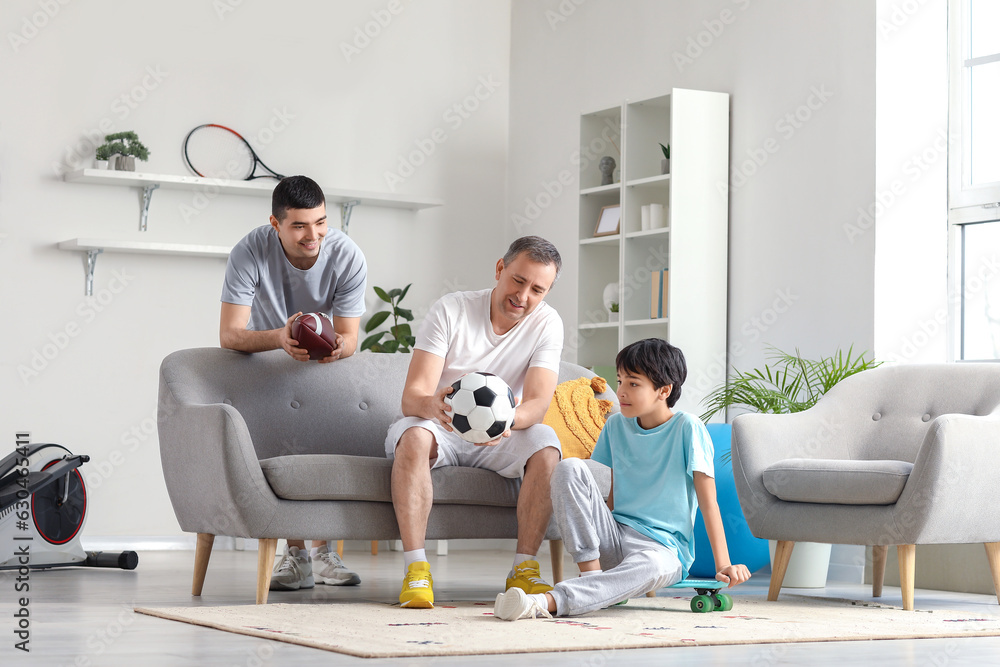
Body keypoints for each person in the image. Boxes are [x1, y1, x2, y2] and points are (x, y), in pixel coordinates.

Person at [493, 338, 751, 620]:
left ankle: (545, 602)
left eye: (633, 383)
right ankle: (590, 576)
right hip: (614, 539)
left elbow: (708, 502)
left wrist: (723, 564)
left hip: (662, 549)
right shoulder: (616, 425)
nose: (620, 393)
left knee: (653, 566)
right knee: (568, 467)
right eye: (620, 381)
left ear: (664, 390)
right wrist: (604, 535)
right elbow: (615, 492)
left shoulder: (688, 428)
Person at [386, 236, 564, 609]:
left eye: (537, 289)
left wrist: (503, 423)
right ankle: (416, 569)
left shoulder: (548, 324)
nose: (523, 296)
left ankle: (524, 569)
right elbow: (411, 398)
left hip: (501, 435)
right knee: (415, 436)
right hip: (441, 426)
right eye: (518, 280)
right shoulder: (452, 309)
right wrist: (432, 406)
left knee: (546, 444)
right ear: (500, 269)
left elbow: (537, 404)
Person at [219, 174, 365, 591]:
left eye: (320, 222)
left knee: (326, 450)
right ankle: (296, 556)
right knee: (284, 454)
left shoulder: (347, 256)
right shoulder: (249, 252)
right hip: (268, 360)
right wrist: (279, 339)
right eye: (299, 225)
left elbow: (351, 337)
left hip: (325, 367)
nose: (312, 234)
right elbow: (230, 334)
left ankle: (324, 555)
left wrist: (337, 347)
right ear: (275, 223)